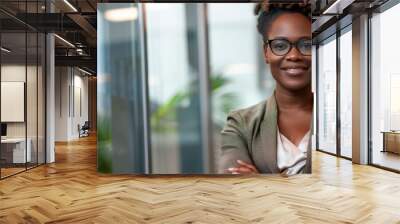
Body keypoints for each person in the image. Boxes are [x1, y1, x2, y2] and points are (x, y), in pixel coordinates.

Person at [219, 1, 313, 176]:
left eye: (306, 45)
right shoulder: (241, 124)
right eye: (280, 46)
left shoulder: (343, 121)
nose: (293, 55)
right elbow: (234, 186)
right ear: (266, 53)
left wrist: (262, 180)